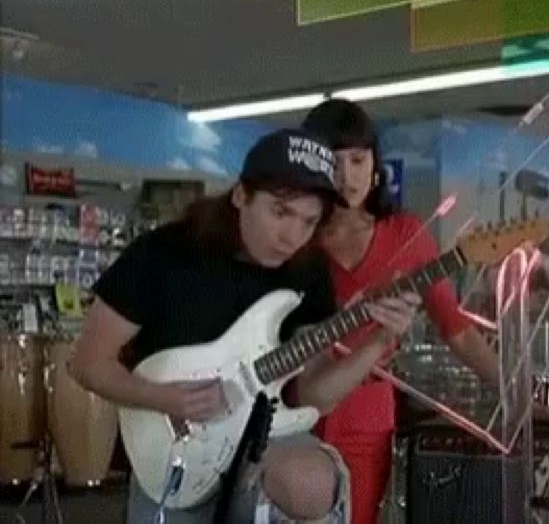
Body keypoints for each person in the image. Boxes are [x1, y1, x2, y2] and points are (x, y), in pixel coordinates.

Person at [70, 128, 421, 523]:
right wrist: (161, 398)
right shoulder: (163, 253)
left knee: (311, 483)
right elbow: (87, 364)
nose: (292, 236)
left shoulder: (307, 270)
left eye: (309, 221)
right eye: (280, 212)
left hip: (264, 437)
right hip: (174, 442)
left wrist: (378, 342)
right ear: (241, 196)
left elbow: (315, 395)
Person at [301, 99, 504, 524]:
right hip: (290, 409)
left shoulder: (406, 235)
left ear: (375, 165)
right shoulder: (294, 237)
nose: (346, 175)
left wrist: (517, 395)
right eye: (333, 161)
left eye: (358, 159)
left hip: (367, 416)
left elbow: (457, 330)